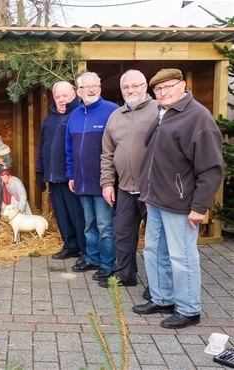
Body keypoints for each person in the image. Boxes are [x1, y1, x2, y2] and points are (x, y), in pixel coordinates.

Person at [132, 69, 223, 329]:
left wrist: (199, 207)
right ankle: (162, 298)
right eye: (158, 90)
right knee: (153, 251)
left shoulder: (197, 118)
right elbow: (153, 158)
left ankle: (189, 309)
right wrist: (148, 194)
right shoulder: (163, 114)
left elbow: (211, 168)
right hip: (157, 200)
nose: (163, 93)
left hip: (182, 205)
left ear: (182, 85)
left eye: (169, 87)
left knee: (182, 257)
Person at [99, 70, 158, 289]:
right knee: (122, 234)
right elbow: (107, 153)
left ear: (145, 86)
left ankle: (157, 287)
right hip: (124, 188)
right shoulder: (116, 116)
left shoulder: (159, 110)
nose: (131, 90)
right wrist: (106, 183)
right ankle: (126, 275)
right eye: (126, 87)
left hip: (152, 190)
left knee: (156, 242)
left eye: (135, 85)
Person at [66, 72, 118, 278]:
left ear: (100, 87)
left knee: (105, 225)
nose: (91, 89)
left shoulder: (112, 111)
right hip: (81, 180)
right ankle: (92, 258)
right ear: (78, 91)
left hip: (104, 181)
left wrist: (112, 180)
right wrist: (71, 174)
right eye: (85, 86)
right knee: (89, 223)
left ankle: (108, 264)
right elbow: (69, 148)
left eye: (94, 85)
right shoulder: (75, 116)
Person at [36, 81, 86, 260]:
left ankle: (83, 248)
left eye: (65, 95)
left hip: (70, 178)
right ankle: (69, 245)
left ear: (74, 94)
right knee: (61, 214)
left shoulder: (78, 115)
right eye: (57, 97)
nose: (61, 100)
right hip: (53, 176)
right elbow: (42, 148)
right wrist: (40, 172)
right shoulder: (49, 120)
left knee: (77, 215)